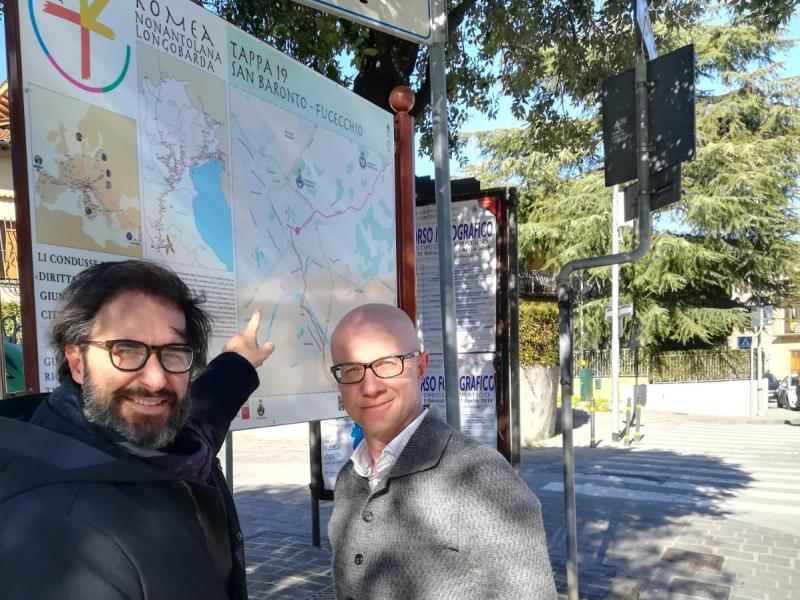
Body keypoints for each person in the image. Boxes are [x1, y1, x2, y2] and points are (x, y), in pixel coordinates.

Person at [0, 260, 274, 600]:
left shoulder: (160, 443)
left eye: (174, 352)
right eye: (126, 350)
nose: (156, 380)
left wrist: (238, 362)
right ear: (77, 362)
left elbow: (202, 418)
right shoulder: (55, 533)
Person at [327, 303, 557, 599]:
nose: (370, 387)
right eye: (351, 370)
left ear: (421, 367)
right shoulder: (349, 479)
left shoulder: (481, 478)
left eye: (387, 364)